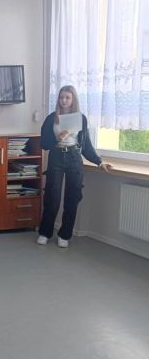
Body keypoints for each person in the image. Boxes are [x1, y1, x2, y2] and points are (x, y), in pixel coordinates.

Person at [37, 85, 111, 248]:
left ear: (73, 99)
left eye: (67, 97)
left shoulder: (81, 118)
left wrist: (99, 161)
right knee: (52, 197)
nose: (64, 101)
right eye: (61, 97)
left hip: (74, 157)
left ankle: (65, 235)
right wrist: (58, 137)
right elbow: (44, 144)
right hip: (56, 156)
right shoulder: (51, 118)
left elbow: (86, 146)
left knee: (72, 197)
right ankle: (45, 232)